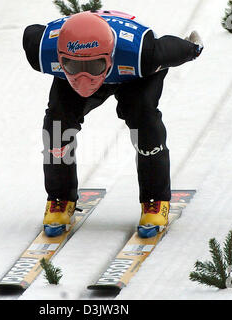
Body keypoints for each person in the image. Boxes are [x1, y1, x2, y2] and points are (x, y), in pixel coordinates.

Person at [22, 10, 203, 238]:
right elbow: (31, 34)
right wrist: (85, 67)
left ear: (109, 56)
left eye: (93, 67)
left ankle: (155, 201)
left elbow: (175, 50)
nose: (84, 79)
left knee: (143, 119)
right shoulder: (40, 49)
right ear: (59, 57)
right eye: (74, 66)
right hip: (105, 65)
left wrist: (193, 48)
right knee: (57, 126)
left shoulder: (145, 54)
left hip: (135, 75)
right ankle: (60, 199)